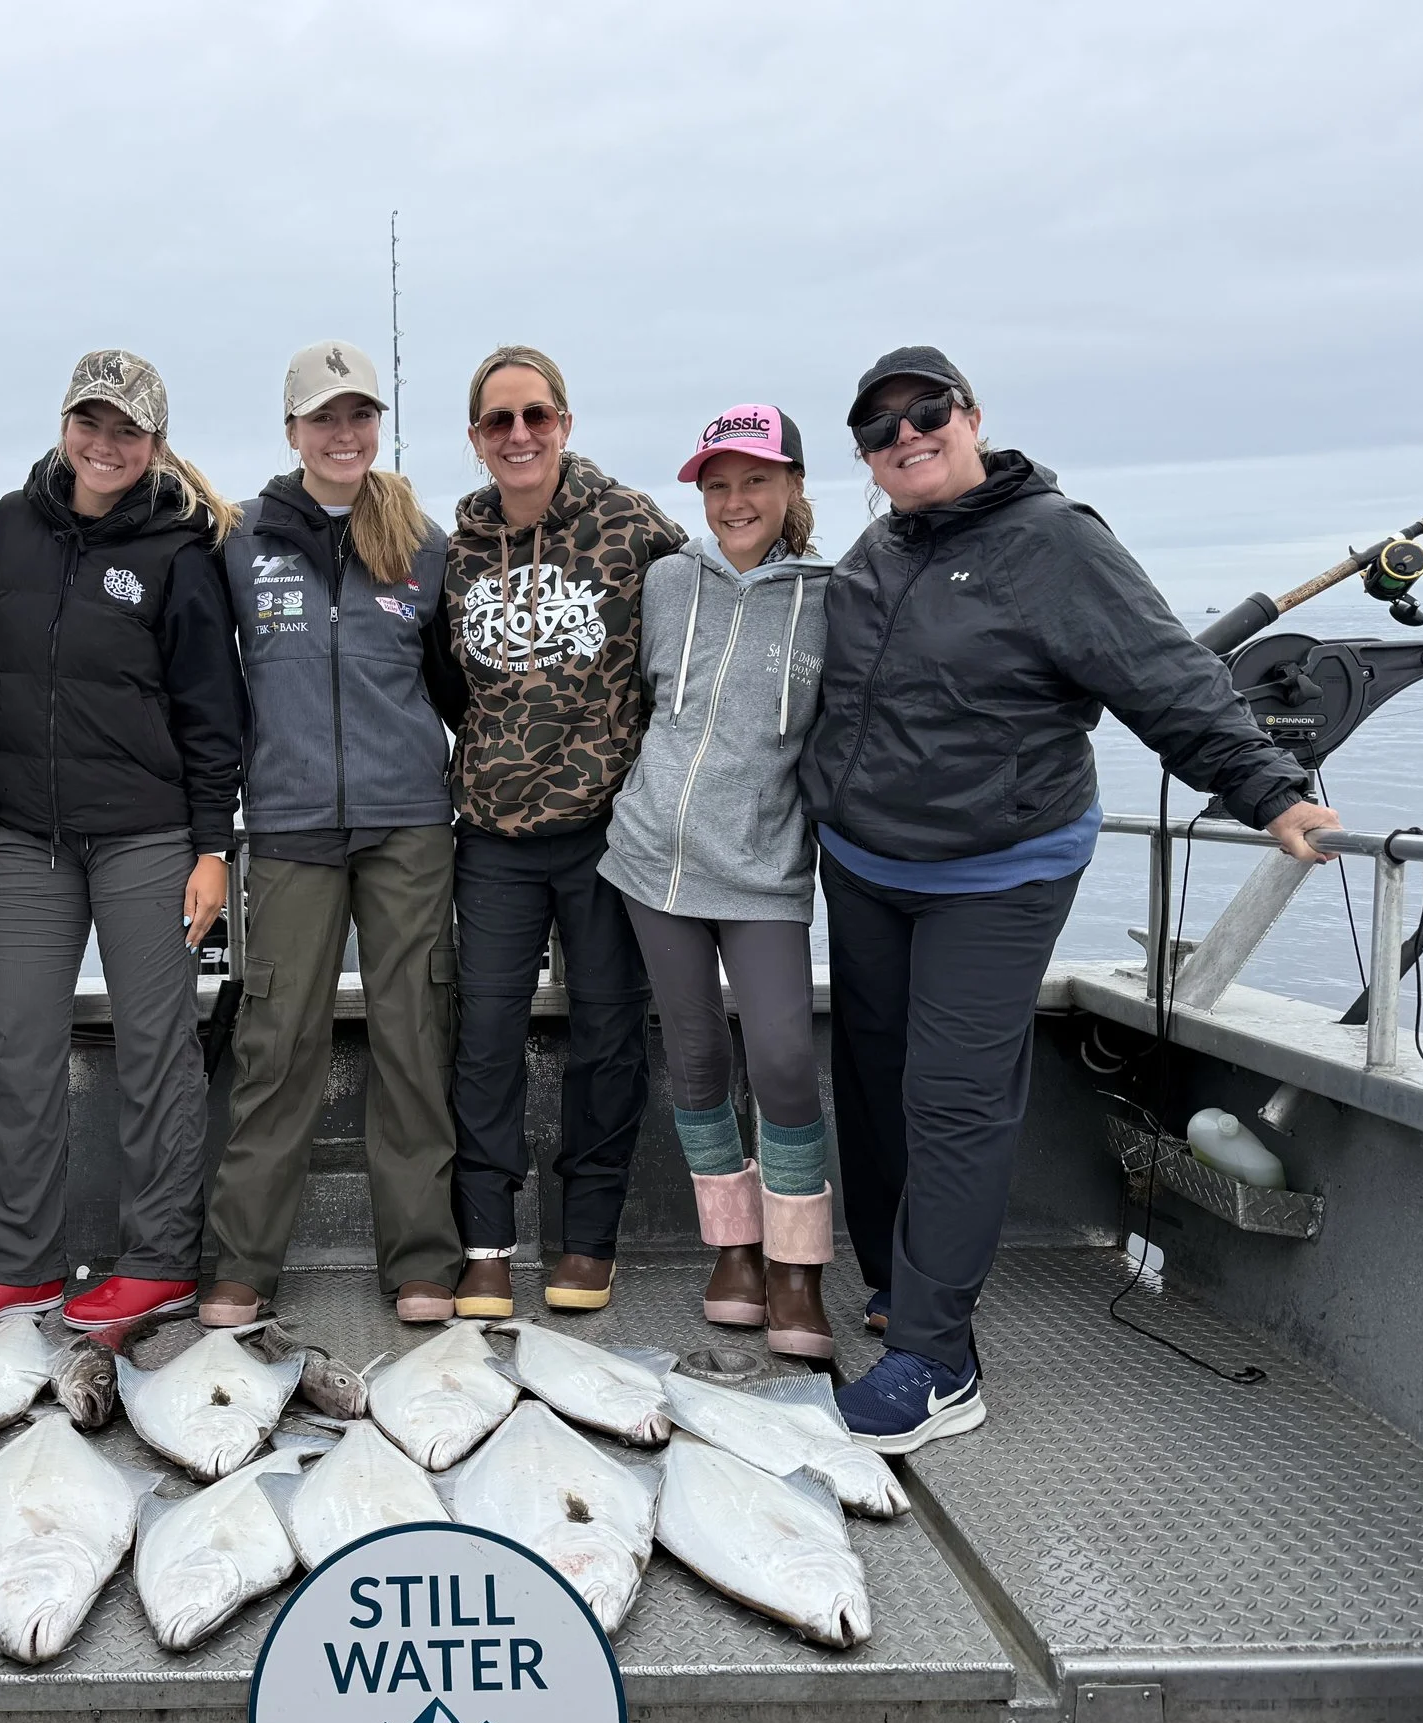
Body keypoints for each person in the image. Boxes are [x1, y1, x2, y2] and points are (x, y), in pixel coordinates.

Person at [800, 344, 1340, 1453]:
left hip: (995, 872)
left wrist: (1267, 790)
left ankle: (939, 1361)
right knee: (869, 1077)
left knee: (952, 1096)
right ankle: (903, 1287)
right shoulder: (882, 545)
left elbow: (1164, 674)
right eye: (878, 428)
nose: (905, 435)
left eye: (925, 411)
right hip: (864, 866)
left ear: (972, 415)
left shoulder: (1052, 540)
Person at [0, 349, 247, 1339]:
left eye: (128, 431)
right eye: (90, 424)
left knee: (157, 1050)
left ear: (155, 443)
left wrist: (209, 847)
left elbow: (212, 714)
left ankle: (158, 1263)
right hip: (23, 841)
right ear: (65, 424)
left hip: (148, 839)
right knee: (20, 1047)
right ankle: (18, 1263)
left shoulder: (183, 552)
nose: (106, 446)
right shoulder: (1, 533)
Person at [199, 340, 465, 1328]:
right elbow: (210, 689)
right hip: (290, 823)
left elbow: (455, 689)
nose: (342, 434)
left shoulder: (424, 542)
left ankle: (422, 1261)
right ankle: (241, 1267)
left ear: (376, 426)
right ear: (292, 431)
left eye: (358, 415)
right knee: (276, 1045)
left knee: (412, 1040)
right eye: (323, 417)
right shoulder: (239, 538)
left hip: (407, 826)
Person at [430, 345, 687, 1317]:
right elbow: (444, 681)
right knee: (484, 1036)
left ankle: (588, 1239)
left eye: (535, 415)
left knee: (609, 1037)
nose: (519, 435)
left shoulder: (632, 527)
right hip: (492, 837)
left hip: (606, 834)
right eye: (499, 421)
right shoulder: (456, 552)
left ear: (564, 424)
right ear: (476, 439)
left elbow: (691, 635)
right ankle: (486, 1242)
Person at [599, 405, 834, 1352]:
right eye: (718, 483)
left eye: (756, 480)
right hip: (653, 857)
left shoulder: (835, 594)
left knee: (780, 1055)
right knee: (696, 1056)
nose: (736, 501)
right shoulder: (664, 581)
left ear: (792, 488)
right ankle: (734, 1249)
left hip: (767, 865)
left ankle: (798, 1264)